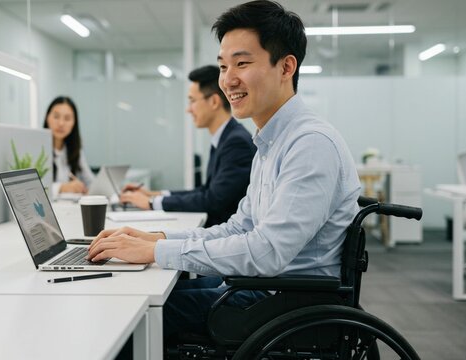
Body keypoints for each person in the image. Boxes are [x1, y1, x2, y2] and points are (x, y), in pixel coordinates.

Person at [88, 0, 361, 340]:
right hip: (266, 292)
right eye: (222, 66)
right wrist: (156, 239)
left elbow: (268, 252)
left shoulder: (309, 144)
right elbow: (238, 227)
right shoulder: (271, 141)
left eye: (242, 64)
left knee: (131, 318)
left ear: (286, 67)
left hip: (289, 308)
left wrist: (155, 251)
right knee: (138, 298)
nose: (228, 80)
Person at [120, 65, 256, 227]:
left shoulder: (236, 143)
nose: (188, 109)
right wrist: (154, 194)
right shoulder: (226, 138)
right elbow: (206, 191)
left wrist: (151, 202)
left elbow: (213, 201)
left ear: (213, 101)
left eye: (192, 101)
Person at [44, 96, 95, 197]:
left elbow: (90, 181)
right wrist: (62, 188)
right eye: (56, 116)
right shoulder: (38, 148)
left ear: (74, 123)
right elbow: (34, 188)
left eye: (67, 118)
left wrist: (85, 188)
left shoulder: (75, 149)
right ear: (47, 118)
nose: (61, 123)